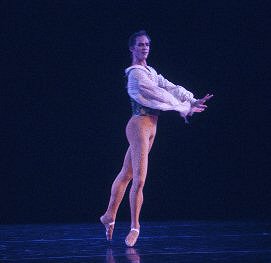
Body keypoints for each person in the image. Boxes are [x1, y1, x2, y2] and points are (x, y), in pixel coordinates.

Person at [100, 30, 213, 247]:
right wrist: (184, 107)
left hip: (151, 127)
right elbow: (155, 94)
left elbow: (170, 87)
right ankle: (135, 227)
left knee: (127, 174)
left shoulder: (150, 71)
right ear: (132, 48)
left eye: (147, 45)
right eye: (140, 45)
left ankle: (108, 216)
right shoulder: (136, 74)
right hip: (139, 126)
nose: (145, 48)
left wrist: (192, 99)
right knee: (140, 179)